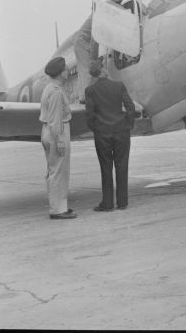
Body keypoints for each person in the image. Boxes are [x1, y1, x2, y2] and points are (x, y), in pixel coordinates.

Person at [85, 60, 136, 211]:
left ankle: (107, 204)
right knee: (122, 166)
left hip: (102, 134)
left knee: (106, 168)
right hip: (121, 131)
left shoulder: (90, 91)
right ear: (103, 69)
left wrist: (96, 128)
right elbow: (130, 107)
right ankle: (122, 202)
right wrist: (128, 125)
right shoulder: (119, 86)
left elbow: (89, 115)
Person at [39, 57, 76, 219]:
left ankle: (60, 206)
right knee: (58, 172)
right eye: (65, 70)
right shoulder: (55, 92)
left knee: (55, 171)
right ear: (60, 73)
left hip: (49, 131)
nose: (68, 71)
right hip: (57, 133)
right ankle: (57, 210)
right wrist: (60, 140)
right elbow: (55, 120)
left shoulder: (50, 88)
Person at [74, 13, 99, 103]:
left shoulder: (97, 14)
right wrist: (94, 60)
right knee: (86, 70)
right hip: (82, 43)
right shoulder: (100, 16)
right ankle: (86, 98)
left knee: (83, 71)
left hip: (82, 42)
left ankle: (84, 96)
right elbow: (94, 40)